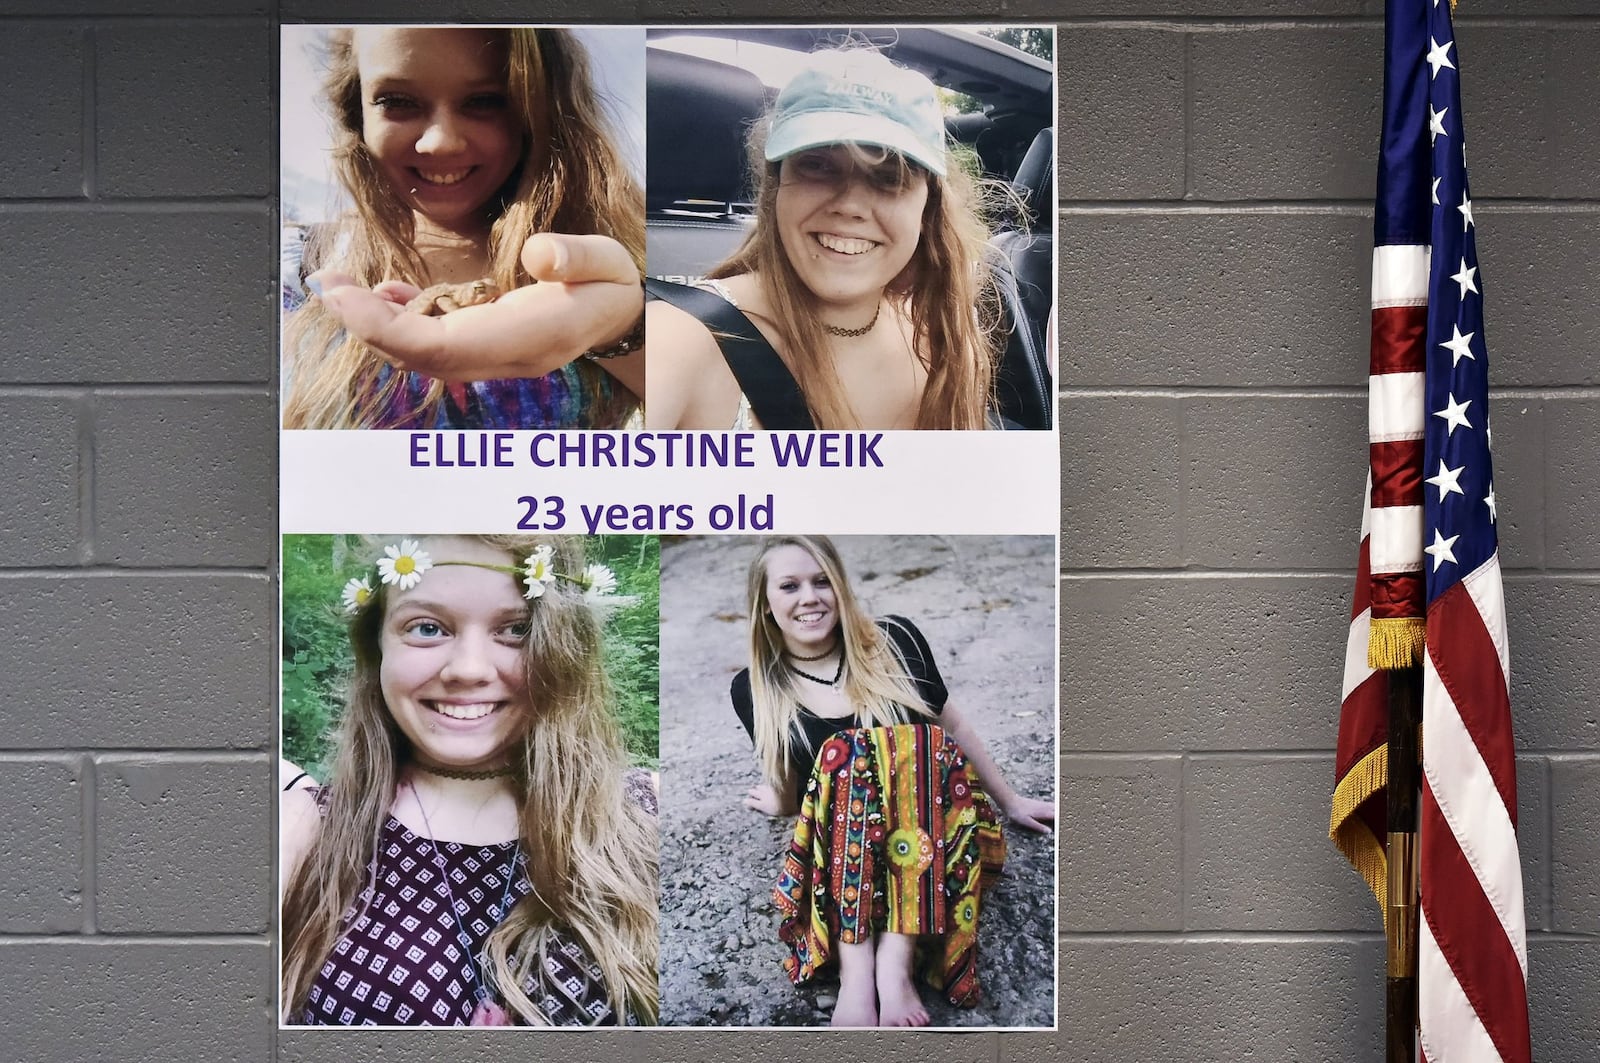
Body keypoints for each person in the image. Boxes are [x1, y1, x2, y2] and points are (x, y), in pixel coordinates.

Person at [279, 535, 658, 1026]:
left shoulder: (643, 815)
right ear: (377, 647)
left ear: (564, 649)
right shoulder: (303, 834)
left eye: (517, 629)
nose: (469, 670)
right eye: (428, 627)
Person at [731, 535, 1055, 1027]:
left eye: (822, 581)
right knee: (845, 764)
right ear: (766, 605)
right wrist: (779, 800)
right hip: (849, 846)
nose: (810, 598)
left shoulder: (895, 641)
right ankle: (857, 970)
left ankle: (895, 965)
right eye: (790, 586)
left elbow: (953, 728)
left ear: (840, 587)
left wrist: (1010, 802)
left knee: (913, 746)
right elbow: (798, 781)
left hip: (935, 831)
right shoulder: (754, 687)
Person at [281, 27, 646, 430]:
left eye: (485, 101)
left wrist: (623, 328)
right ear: (357, 112)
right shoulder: (292, 270)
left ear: (538, 110)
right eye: (397, 101)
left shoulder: (624, 260)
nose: (440, 143)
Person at [646, 48, 1013, 431]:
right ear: (776, 187)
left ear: (928, 208)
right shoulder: (682, 338)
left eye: (890, 176)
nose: (850, 205)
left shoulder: (945, 338)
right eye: (817, 166)